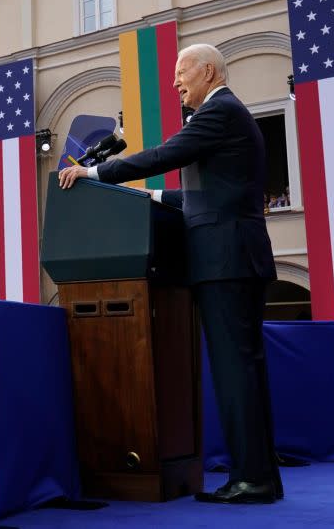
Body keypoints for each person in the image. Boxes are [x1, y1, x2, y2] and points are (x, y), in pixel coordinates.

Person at [59, 44, 281, 503]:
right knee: (243, 372)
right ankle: (258, 475)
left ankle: (252, 480)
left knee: (236, 373)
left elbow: (164, 155)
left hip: (226, 261)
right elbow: (202, 198)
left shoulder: (218, 112)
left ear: (207, 70)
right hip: (233, 258)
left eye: (182, 73)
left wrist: (94, 173)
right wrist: (150, 199)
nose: (176, 82)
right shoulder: (226, 115)